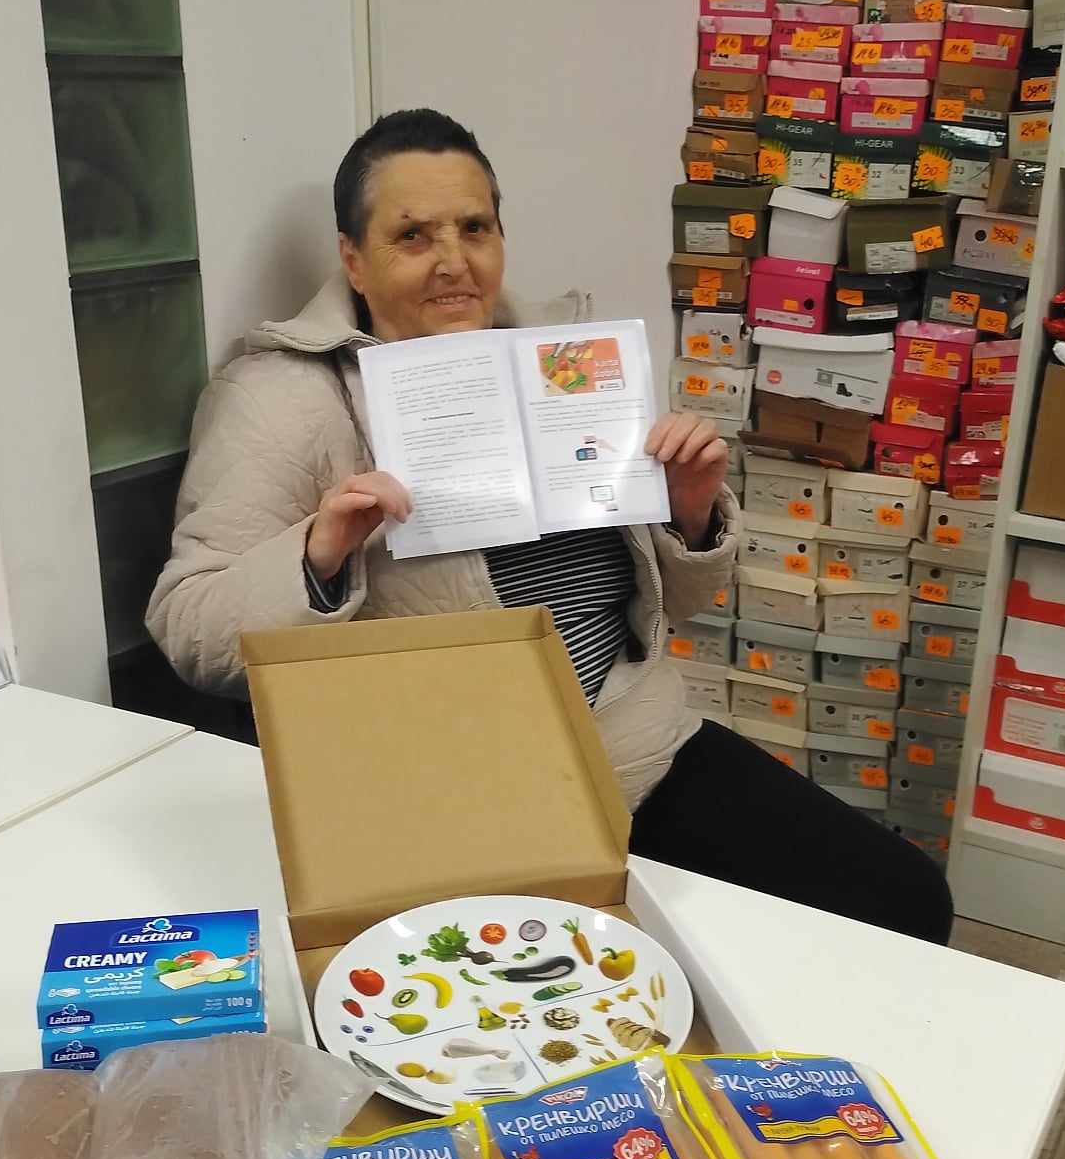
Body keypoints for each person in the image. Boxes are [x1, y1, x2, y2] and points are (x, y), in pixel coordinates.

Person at [147, 108, 952, 943]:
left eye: (474, 228)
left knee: (902, 900)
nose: (453, 261)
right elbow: (189, 627)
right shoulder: (278, 396)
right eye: (413, 236)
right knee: (611, 988)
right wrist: (321, 554)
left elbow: (677, 608)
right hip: (462, 797)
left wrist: (688, 510)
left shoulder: (565, 367)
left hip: (635, 748)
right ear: (353, 257)